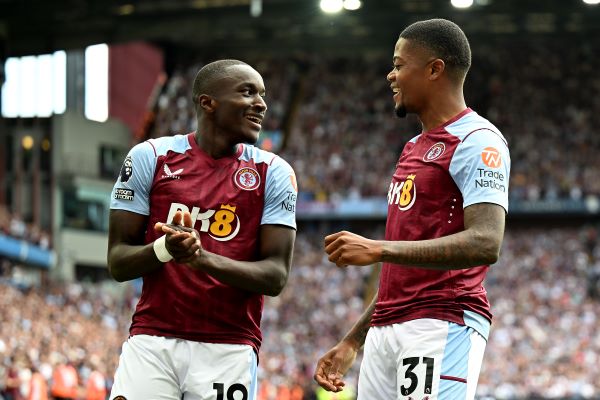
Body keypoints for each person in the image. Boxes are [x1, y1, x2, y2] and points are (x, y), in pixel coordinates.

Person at [314, 19, 510, 400]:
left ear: (434, 69)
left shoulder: (477, 141)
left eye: (399, 65)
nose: (391, 76)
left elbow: (487, 242)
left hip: (441, 321)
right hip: (385, 330)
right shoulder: (412, 148)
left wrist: (379, 248)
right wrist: (354, 340)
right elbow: (402, 270)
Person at [107, 59, 297, 399]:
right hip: (152, 341)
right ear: (208, 102)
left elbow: (275, 276)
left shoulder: (274, 172)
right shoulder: (150, 157)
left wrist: (200, 258)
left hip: (229, 348)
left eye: (263, 95)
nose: (262, 104)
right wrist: (166, 249)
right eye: (248, 92)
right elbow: (118, 262)